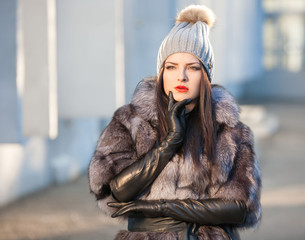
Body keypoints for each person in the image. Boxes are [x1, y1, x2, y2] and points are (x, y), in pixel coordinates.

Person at [88, 4, 261, 240]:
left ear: (206, 75)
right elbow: (115, 193)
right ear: (161, 73)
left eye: (193, 67)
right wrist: (169, 142)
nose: (181, 76)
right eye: (171, 67)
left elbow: (240, 209)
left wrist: (162, 208)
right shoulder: (130, 121)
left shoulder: (230, 132)